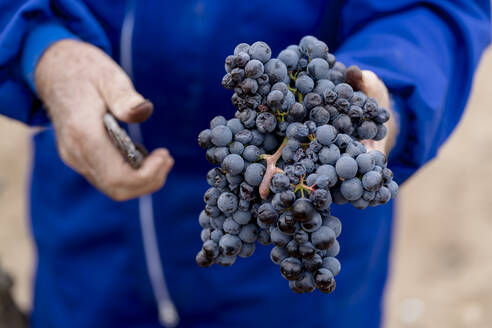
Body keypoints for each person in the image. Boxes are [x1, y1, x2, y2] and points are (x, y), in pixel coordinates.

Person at [0, 1, 489, 327]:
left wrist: (387, 98)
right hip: (91, 229)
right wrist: (42, 50)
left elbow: (432, 10)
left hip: (299, 227)